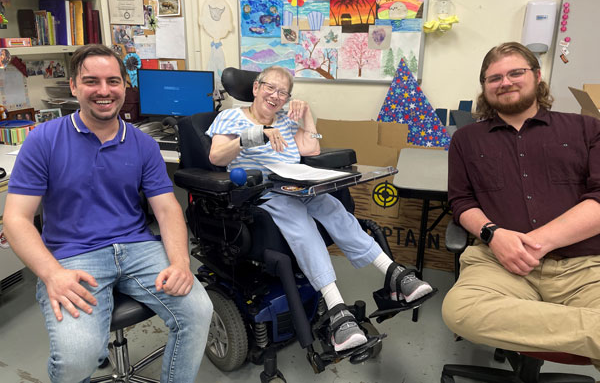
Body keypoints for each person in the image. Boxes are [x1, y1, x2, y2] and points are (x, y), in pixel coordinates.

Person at [3, 44, 212, 383]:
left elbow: (166, 207)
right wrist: (52, 274)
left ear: (124, 86)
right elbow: (15, 220)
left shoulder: (143, 144)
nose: (104, 90)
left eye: (113, 81)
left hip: (138, 249)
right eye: (91, 81)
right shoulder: (43, 140)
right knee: (78, 358)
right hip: (73, 256)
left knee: (199, 311)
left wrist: (180, 262)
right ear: (74, 86)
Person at [207, 65, 433, 352]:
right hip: (262, 194)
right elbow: (216, 156)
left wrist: (307, 116)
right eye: (270, 88)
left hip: (296, 186)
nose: (275, 96)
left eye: (283, 92)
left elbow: (311, 151)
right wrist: (253, 136)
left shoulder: (285, 120)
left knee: (335, 209)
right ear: (256, 88)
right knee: (301, 224)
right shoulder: (230, 117)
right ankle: (337, 311)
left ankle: (394, 273)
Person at [442, 42, 600, 367]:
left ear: (537, 76)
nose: (506, 82)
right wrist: (493, 235)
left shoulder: (587, 129)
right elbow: (461, 200)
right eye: (494, 78)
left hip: (583, 268)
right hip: (499, 264)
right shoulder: (466, 140)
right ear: (485, 87)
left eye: (516, 73)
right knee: (460, 310)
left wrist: (534, 244)